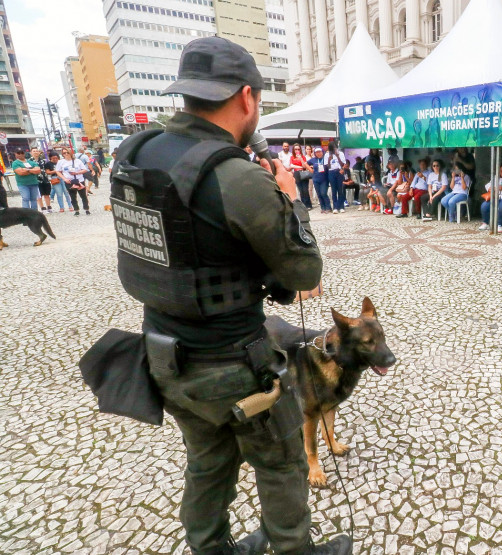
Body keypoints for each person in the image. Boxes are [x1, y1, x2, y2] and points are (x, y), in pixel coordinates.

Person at [112, 36, 351, 554]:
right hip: (234, 364)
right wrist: (290, 198)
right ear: (247, 97)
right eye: (259, 102)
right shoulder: (236, 177)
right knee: (281, 462)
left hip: (163, 352)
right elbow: (304, 270)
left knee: (207, 462)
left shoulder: (134, 152)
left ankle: (212, 549)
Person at [57, 148, 90, 216]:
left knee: (83, 195)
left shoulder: (77, 161)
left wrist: (77, 173)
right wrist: (64, 178)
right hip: (69, 181)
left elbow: (85, 169)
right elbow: (58, 171)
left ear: (70, 153)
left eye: (67, 152)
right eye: (64, 153)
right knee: (72, 196)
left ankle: (86, 209)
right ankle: (76, 210)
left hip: (79, 180)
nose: (66, 154)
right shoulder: (61, 162)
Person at [324, 142, 346, 214]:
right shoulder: (327, 154)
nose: (334, 150)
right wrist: (329, 160)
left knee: (340, 189)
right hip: (331, 172)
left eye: (335, 148)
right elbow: (327, 167)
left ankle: (341, 206)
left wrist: (338, 156)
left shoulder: (341, 153)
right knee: (334, 190)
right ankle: (335, 207)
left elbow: (343, 164)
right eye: (332, 148)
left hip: (339, 171)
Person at [290, 144, 313, 210]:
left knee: (305, 189)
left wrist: (301, 159)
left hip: (303, 173)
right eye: (295, 149)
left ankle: (308, 204)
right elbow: (292, 166)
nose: (297, 150)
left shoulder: (303, 157)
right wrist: (299, 167)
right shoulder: (292, 157)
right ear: (293, 150)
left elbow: (304, 166)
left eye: (298, 149)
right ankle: (303, 205)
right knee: (301, 190)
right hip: (297, 173)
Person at [309, 146, 331, 213]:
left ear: (322, 152)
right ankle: (323, 207)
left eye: (320, 152)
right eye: (317, 152)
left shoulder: (326, 158)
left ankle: (328, 207)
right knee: (319, 194)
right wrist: (310, 169)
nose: (318, 153)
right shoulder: (313, 159)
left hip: (324, 179)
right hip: (316, 179)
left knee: (323, 193)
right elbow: (305, 164)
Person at [31, 148, 53, 214]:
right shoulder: (29, 161)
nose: (35, 152)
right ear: (31, 153)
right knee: (39, 195)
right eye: (34, 151)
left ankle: (49, 207)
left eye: (37, 151)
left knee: (47, 194)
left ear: (39, 152)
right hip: (36, 180)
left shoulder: (44, 161)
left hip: (45, 179)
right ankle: (43, 208)